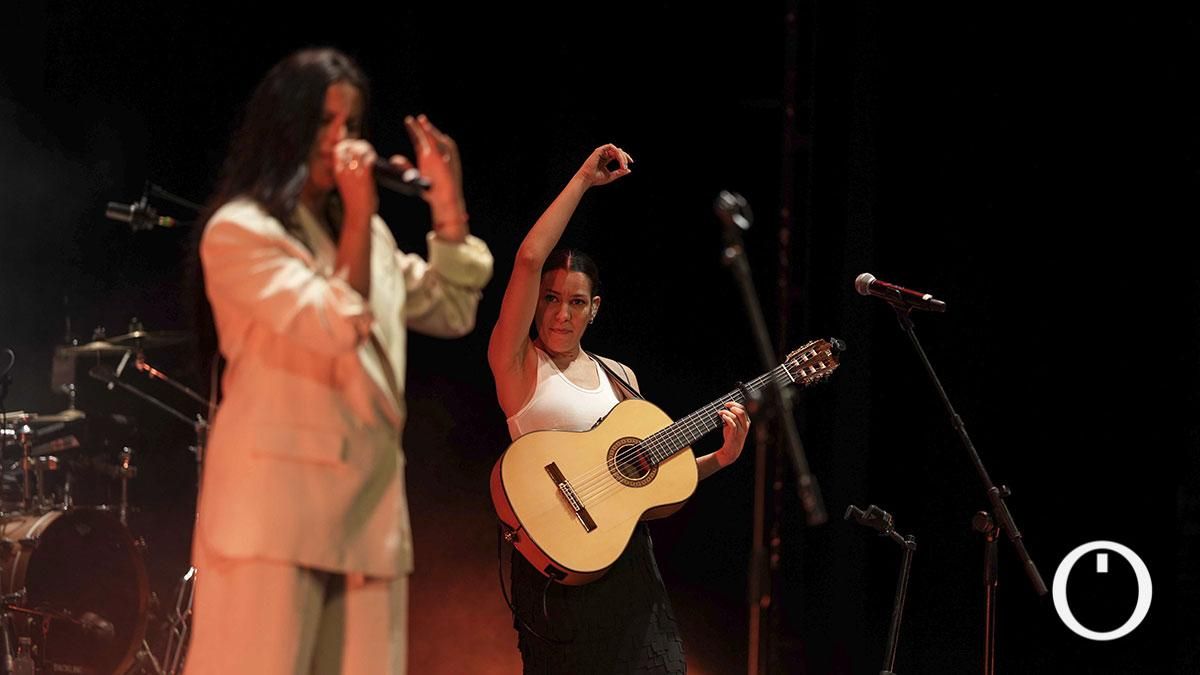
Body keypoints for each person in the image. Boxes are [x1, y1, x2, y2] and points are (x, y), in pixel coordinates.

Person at [185, 47, 493, 674]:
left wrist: (447, 206)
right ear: (287, 127)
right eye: (324, 123)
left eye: (350, 126)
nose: (340, 141)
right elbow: (332, 322)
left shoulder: (368, 234)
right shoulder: (241, 231)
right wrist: (358, 217)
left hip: (366, 508)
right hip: (275, 511)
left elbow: (451, 310)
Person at [487, 143, 750, 673]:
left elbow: (647, 488)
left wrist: (719, 459)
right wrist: (583, 178)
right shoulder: (517, 362)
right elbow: (529, 258)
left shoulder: (620, 377)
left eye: (576, 302)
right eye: (551, 298)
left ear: (595, 309)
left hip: (629, 570)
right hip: (556, 572)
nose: (561, 314)